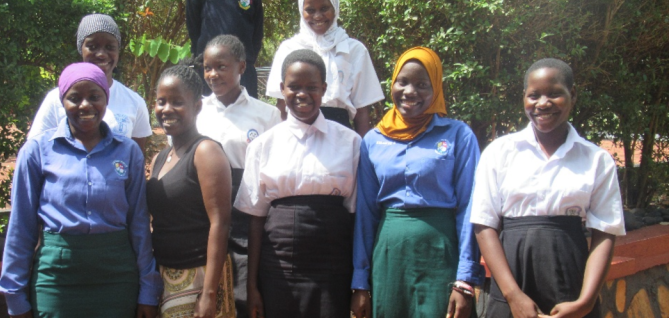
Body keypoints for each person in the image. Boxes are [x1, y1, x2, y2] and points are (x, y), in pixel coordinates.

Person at [0, 62, 160, 318]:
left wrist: (148, 289)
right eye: (75, 98)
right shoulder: (37, 151)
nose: (85, 105)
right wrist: (14, 294)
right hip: (56, 278)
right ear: (62, 101)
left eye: (94, 97)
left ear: (106, 100)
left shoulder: (128, 152)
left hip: (117, 277)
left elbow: (139, 223)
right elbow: (21, 226)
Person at [470, 58, 626, 318]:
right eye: (534, 95)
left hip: (570, 283)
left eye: (554, 94)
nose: (543, 103)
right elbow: (484, 225)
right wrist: (513, 295)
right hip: (511, 283)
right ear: (524, 97)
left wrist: (585, 302)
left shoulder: (596, 160)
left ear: (572, 94)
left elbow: (605, 232)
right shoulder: (500, 152)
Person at [351, 47, 484, 318]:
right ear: (392, 84)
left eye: (422, 85)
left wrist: (464, 279)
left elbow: (470, 208)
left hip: (441, 256)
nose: (410, 91)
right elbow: (365, 213)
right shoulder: (373, 141)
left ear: (436, 89)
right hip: (389, 259)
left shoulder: (459, 135)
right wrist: (360, 281)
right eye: (403, 82)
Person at [236, 49, 361, 318]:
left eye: (311, 87)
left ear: (324, 89)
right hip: (278, 268)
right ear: (282, 89)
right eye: (294, 87)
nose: (302, 94)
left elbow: (356, 216)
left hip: (334, 267)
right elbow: (255, 220)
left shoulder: (350, 142)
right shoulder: (263, 146)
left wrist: (360, 282)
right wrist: (252, 285)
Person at [196, 34, 281, 318]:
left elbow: (271, 171)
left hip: (245, 216)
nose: (213, 74)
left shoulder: (266, 115)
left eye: (221, 66)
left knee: (243, 291)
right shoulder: (196, 111)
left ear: (242, 66)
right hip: (203, 214)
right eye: (208, 67)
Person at [148, 64, 235, 318]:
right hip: (164, 274)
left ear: (197, 106)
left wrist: (209, 294)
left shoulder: (206, 152)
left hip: (199, 276)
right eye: (161, 101)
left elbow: (220, 223)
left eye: (177, 102)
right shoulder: (160, 158)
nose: (167, 109)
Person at [265, 0, 383, 136]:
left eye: (324, 8)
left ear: (335, 8)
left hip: (340, 133)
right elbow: (281, 106)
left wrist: (362, 148)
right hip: (296, 132)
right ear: (301, 10)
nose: (318, 16)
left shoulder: (354, 50)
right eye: (310, 10)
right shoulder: (288, 48)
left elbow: (362, 111)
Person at [28, 14, 152, 153]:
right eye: (92, 47)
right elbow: (35, 151)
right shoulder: (56, 99)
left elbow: (136, 159)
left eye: (110, 47)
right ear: (81, 49)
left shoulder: (134, 102)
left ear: (118, 51)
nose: (101, 54)